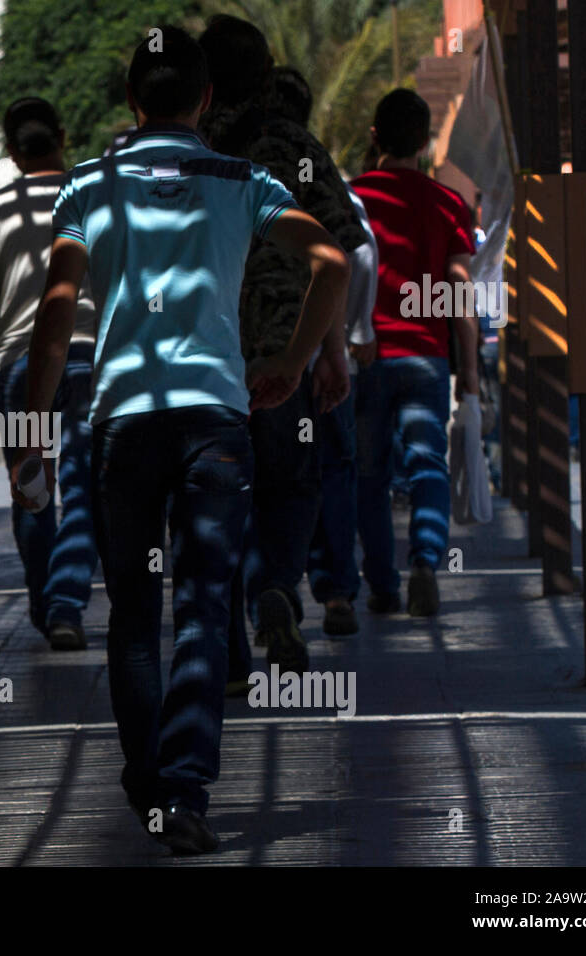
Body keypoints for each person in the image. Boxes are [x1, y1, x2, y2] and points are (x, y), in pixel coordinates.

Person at [16, 26, 348, 854]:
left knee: (132, 609)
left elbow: (58, 313)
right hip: (216, 421)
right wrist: (292, 361)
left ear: (132, 102)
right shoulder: (244, 180)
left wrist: (30, 427)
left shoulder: (89, 185)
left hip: (124, 421)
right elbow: (333, 263)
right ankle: (187, 785)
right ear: (206, 101)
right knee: (203, 602)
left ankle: (148, 780)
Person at [198, 15, 369, 671]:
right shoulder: (294, 146)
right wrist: (327, 352)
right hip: (280, 356)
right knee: (292, 485)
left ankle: (231, 647)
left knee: (213, 500)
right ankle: (277, 589)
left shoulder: (180, 149)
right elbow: (334, 255)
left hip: (202, 360)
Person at [0, 97, 99, 650]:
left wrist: (8, 315)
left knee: (33, 486)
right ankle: (68, 603)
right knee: (84, 488)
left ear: (12, 150)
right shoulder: (90, 198)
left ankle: (46, 605)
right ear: (63, 135)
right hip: (89, 360)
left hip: (19, 366)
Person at [351, 89, 480, 616]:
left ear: (374, 136)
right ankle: (426, 559)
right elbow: (459, 292)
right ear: (426, 144)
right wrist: (469, 376)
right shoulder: (448, 204)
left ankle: (382, 583)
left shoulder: (351, 199)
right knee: (429, 463)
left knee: (369, 474)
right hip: (427, 357)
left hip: (365, 356)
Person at [265, 65, 379, 636]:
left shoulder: (216, 165)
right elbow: (350, 257)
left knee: (242, 486)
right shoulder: (322, 179)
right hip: (307, 367)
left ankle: (262, 596)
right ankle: (330, 592)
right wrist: (344, 342)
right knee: (328, 475)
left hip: (230, 368)